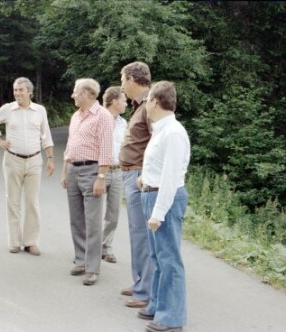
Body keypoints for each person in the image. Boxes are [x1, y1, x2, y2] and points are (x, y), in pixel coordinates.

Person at [137, 81, 190, 332]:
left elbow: (170, 177)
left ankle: (171, 319)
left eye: (148, 100)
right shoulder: (161, 129)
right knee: (158, 257)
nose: (145, 104)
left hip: (165, 199)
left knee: (170, 260)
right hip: (152, 193)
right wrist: (145, 178)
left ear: (156, 102)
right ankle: (158, 305)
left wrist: (158, 213)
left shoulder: (173, 132)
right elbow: (159, 167)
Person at [0, 77, 54, 256]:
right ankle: (14, 242)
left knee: (32, 202)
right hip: (13, 160)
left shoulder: (39, 111)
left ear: (29, 92)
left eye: (21, 90)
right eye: (15, 90)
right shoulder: (8, 109)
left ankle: (31, 242)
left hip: (34, 160)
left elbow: (46, 135)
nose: (17, 93)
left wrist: (50, 158)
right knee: (13, 201)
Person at [61, 78, 113, 286]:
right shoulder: (76, 116)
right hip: (73, 168)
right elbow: (70, 145)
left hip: (92, 171)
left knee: (93, 221)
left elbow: (106, 149)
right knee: (76, 219)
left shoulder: (103, 117)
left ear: (89, 94)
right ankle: (80, 260)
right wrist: (65, 172)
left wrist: (101, 177)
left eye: (76, 92)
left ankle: (92, 268)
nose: (73, 95)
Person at [119, 61, 154, 307]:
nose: (121, 85)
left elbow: (156, 141)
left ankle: (146, 291)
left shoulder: (150, 105)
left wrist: (147, 174)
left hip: (140, 175)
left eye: (122, 80)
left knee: (142, 233)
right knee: (135, 231)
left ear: (132, 79)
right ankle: (139, 282)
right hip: (132, 173)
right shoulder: (138, 106)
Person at [100, 86, 128, 264]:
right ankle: (89, 247)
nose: (126, 103)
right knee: (93, 213)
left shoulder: (123, 123)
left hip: (118, 171)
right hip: (99, 170)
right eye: (123, 100)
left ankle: (106, 246)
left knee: (114, 213)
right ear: (114, 101)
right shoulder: (98, 119)